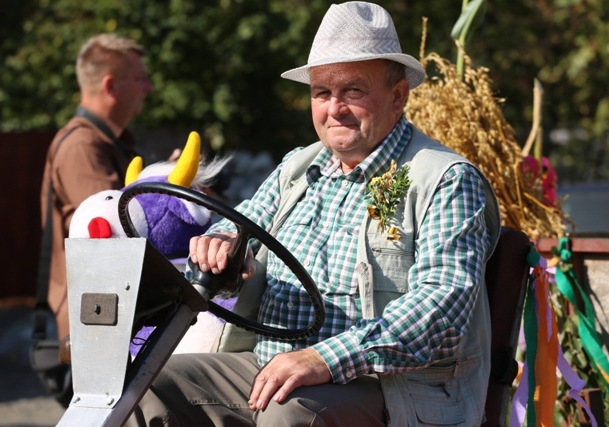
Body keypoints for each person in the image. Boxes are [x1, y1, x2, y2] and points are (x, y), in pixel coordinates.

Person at [128, 2, 501, 426]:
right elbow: (241, 227)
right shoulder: (299, 167)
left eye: (353, 91)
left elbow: (441, 310)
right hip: (269, 368)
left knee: (287, 416)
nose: (334, 108)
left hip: (388, 385)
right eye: (322, 93)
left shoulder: (446, 179)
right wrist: (222, 245)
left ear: (398, 96)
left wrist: (323, 359)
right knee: (143, 385)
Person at [40, 33, 153, 341]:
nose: (149, 87)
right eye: (141, 78)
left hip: (106, 315)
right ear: (111, 86)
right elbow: (118, 227)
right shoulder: (82, 145)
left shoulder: (105, 142)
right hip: (96, 323)